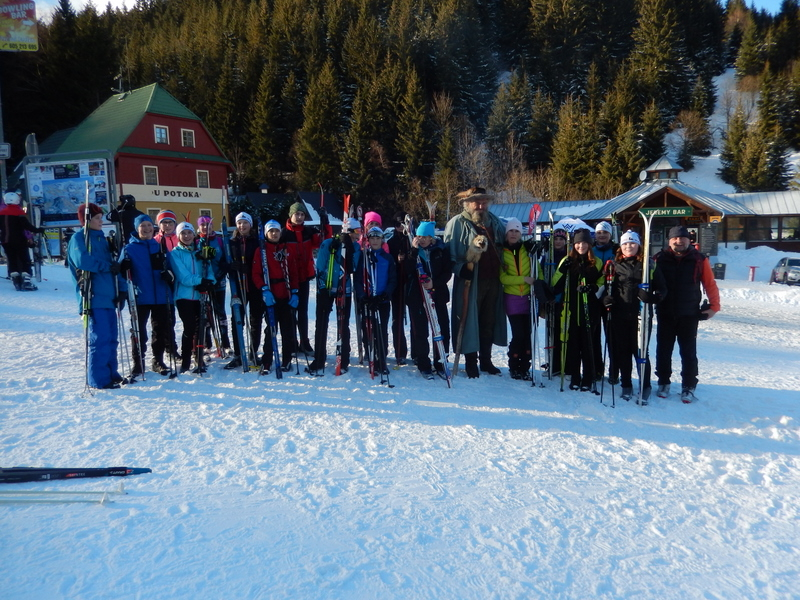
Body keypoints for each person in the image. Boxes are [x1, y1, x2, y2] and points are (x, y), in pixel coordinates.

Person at [443, 187, 506, 378]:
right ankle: (471, 362)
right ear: (467, 204)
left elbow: (505, 245)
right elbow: (448, 255)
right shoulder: (457, 223)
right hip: (471, 282)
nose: (481, 206)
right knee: (470, 320)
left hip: (493, 281)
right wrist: (460, 269)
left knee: (489, 320)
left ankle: (486, 360)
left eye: (484, 202)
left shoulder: (494, 222)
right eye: (477, 202)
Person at [653, 225, 720, 403]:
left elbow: (710, 284)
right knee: (663, 350)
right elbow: (649, 282)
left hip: (689, 313)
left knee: (688, 352)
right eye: (675, 238)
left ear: (689, 240)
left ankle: (688, 385)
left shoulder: (699, 259)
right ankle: (663, 382)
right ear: (669, 241)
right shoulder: (659, 259)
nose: (679, 241)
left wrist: (714, 306)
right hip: (665, 312)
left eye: (682, 238)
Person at [601, 230, 667, 401]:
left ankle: (645, 385)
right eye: (625, 244)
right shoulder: (614, 265)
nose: (628, 246)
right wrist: (606, 299)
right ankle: (626, 384)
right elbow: (604, 288)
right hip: (619, 314)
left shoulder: (648, 265)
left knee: (641, 351)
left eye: (632, 243)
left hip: (641, 314)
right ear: (620, 246)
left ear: (638, 245)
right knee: (623, 351)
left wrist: (652, 297)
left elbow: (662, 288)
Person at [67, 203, 125, 389]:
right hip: (93, 297)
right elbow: (83, 261)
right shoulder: (79, 238)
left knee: (111, 338)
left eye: (101, 218)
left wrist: (122, 289)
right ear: (87, 220)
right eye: (97, 218)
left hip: (109, 296)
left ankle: (111, 372)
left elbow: (115, 266)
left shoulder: (103, 239)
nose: (101, 221)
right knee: (99, 339)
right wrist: (108, 267)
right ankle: (98, 379)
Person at [118, 214, 176, 377]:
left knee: (160, 330)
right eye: (143, 226)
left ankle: (158, 360)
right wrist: (123, 269)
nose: (147, 229)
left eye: (149, 225)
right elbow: (120, 274)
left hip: (161, 295)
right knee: (138, 331)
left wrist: (169, 276)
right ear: (137, 229)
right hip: (140, 296)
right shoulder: (129, 249)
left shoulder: (160, 247)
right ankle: (138, 362)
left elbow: (172, 269)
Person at [306, 217, 362, 375]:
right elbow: (320, 267)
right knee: (321, 323)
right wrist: (323, 288)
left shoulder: (356, 247)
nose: (358, 235)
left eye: (360, 232)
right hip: (327, 288)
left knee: (343, 324)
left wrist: (349, 250)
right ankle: (319, 358)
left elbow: (353, 268)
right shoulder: (329, 243)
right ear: (348, 231)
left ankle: (343, 359)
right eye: (357, 232)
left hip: (345, 288)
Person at [551, 229, 603, 391]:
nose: (581, 246)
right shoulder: (567, 260)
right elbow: (555, 284)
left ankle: (588, 377)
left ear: (590, 244)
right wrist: (562, 270)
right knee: (573, 345)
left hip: (590, 310)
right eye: (578, 243)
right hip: (571, 310)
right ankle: (574, 376)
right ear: (574, 245)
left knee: (588, 345)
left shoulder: (596, 262)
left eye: (584, 243)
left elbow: (603, 283)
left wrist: (593, 287)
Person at [280, 201, 332, 355]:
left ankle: (304, 342)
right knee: (290, 312)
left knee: (303, 312)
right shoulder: (284, 234)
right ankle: (291, 342)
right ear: (291, 215)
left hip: (304, 277)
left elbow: (324, 241)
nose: (299, 217)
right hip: (288, 279)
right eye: (297, 214)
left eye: (302, 214)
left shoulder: (309, 231)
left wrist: (325, 222)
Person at [500, 218, 547, 381]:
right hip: (512, 297)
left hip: (529, 297)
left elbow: (538, 271)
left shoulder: (527, 250)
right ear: (506, 233)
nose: (513, 234)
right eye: (511, 231)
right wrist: (524, 279)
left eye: (517, 231)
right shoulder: (502, 252)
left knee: (528, 334)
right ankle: (514, 365)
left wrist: (538, 286)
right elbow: (503, 278)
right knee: (518, 334)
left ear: (521, 234)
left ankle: (525, 367)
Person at [253, 220, 300, 373]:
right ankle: (267, 360)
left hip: (286, 294)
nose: (274, 234)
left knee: (287, 330)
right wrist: (264, 289)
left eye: (276, 231)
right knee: (271, 330)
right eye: (271, 231)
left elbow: (293, 272)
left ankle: (287, 359)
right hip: (271, 295)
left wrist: (295, 292)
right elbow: (256, 273)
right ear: (266, 233)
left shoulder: (286, 249)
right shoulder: (261, 250)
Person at [406, 220, 451, 379]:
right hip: (418, 297)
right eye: (419, 236)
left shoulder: (441, 250)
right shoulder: (413, 251)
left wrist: (434, 283)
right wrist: (413, 251)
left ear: (431, 238)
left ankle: (441, 362)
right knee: (420, 331)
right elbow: (406, 270)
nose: (422, 239)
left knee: (442, 329)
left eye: (425, 236)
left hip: (437, 295)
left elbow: (447, 272)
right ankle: (423, 364)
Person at [169, 222, 215, 374]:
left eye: (189, 233)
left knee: (201, 327)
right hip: (184, 296)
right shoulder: (175, 253)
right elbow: (183, 276)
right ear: (178, 236)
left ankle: (199, 357)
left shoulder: (200, 252)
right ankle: (186, 360)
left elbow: (209, 270)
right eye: (183, 233)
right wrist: (200, 281)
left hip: (200, 295)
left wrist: (209, 281)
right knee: (189, 327)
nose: (187, 236)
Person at [354, 227, 397, 376]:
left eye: (378, 238)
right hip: (367, 300)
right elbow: (357, 279)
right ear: (368, 240)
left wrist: (385, 295)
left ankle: (381, 360)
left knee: (381, 330)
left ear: (382, 240)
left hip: (381, 301)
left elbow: (393, 279)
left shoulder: (388, 258)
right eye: (372, 238)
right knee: (367, 329)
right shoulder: (364, 257)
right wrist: (362, 296)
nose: (375, 241)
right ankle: (370, 355)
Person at [224, 212, 262, 370]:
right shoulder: (231, 242)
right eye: (239, 223)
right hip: (238, 287)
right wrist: (229, 267)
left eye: (245, 222)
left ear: (250, 224)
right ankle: (239, 354)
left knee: (255, 320)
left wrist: (250, 268)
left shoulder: (257, 241)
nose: (242, 225)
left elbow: (262, 261)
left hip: (255, 286)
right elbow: (223, 262)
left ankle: (253, 351)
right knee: (237, 320)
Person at [196, 215, 230, 355]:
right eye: (203, 225)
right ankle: (207, 343)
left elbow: (225, 259)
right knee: (205, 314)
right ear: (199, 227)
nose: (206, 227)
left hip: (218, 281)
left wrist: (222, 270)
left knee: (220, 312)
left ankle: (225, 343)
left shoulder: (220, 241)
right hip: (204, 283)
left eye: (208, 224)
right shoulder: (196, 241)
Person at [1, 191, 44, 291]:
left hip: (5, 241)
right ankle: (26, 280)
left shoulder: (1, 213)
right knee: (24, 259)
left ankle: (15, 278)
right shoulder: (19, 213)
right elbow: (26, 226)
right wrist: (38, 230)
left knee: (11, 259)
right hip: (19, 240)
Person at [540, 226, 568, 376]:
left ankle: (563, 363)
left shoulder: (568, 256)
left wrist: (560, 295)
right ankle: (553, 362)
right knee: (551, 332)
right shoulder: (547, 257)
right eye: (555, 239)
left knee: (563, 332)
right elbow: (541, 275)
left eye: (561, 239)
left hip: (564, 299)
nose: (558, 242)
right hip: (550, 298)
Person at [386, 211, 411, 366]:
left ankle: (418, 353)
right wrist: (397, 260)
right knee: (397, 318)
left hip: (411, 283)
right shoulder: (391, 242)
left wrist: (407, 259)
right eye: (397, 224)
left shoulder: (412, 239)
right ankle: (400, 352)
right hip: (397, 284)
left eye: (403, 224)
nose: (400, 227)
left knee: (416, 319)